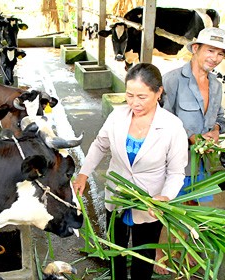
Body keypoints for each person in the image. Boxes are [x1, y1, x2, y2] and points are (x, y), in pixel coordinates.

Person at [73, 63, 188, 280]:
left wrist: (164, 197)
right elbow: (100, 145)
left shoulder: (173, 127)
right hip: (116, 195)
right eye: (129, 95)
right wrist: (83, 173)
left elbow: (176, 173)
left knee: (143, 254)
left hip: (149, 202)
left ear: (158, 92)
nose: (134, 103)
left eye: (142, 97)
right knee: (116, 249)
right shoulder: (118, 116)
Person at [154, 27, 225, 275]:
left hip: (203, 160)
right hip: (175, 159)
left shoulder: (216, 85)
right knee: (168, 206)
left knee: (197, 206)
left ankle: (186, 248)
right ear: (195, 48)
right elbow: (161, 120)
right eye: (211, 50)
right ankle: (161, 253)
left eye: (221, 53)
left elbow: (220, 117)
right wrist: (189, 136)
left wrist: (216, 130)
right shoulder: (172, 80)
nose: (215, 57)